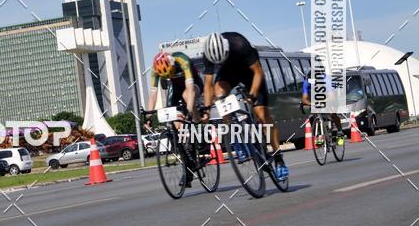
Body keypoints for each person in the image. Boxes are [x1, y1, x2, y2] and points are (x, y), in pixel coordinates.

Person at [202, 32, 288, 180]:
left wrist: (252, 95)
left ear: (226, 48)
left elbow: (258, 72)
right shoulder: (208, 54)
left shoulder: (239, 44)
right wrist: (207, 109)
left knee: (262, 113)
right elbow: (208, 84)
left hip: (251, 73)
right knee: (219, 92)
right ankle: (235, 134)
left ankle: (278, 158)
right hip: (229, 73)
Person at [146, 50, 203, 187]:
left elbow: (189, 89)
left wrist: (188, 111)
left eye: (170, 73)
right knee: (176, 125)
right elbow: (153, 95)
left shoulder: (182, 60)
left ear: (172, 64)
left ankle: (199, 126)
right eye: (166, 76)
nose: (169, 75)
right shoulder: (155, 70)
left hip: (193, 84)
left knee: (186, 96)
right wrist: (148, 117)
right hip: (175, 89)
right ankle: (187, 164)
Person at [300, 72, 346, 147]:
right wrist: (312, 104)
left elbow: (332, 97)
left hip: (331, 94)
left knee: (332, 113)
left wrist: (323, 102)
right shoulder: (306, 82)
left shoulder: (326, 80)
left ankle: (340, 132)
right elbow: (304, 99)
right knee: (315, 112)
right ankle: (320, 134)